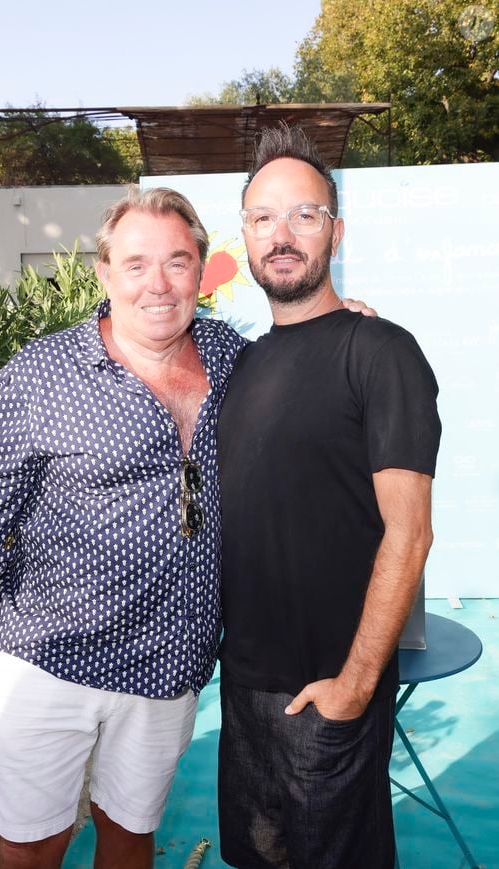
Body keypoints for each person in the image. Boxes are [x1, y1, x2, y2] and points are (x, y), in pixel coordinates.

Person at [0, 186, 247, 869]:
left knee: (130, 829)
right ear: (105, 274)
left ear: (201, 269)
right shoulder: (40, 375)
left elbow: (310, 369)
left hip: (171, 660)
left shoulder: (233, 359)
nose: (158, 284)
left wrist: (346, 321)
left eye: (176, 261)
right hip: (53, 658)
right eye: (136, 264)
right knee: (32, 841)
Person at [217, 124, 442, 868]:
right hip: (245, 695)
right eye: (262, 218)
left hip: (330, 692)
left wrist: (354, 684)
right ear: (245, 235)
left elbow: (409, 534)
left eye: (303, 215)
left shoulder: (382, 352)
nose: (281, 235)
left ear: (335, 230)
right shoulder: (242, 365)